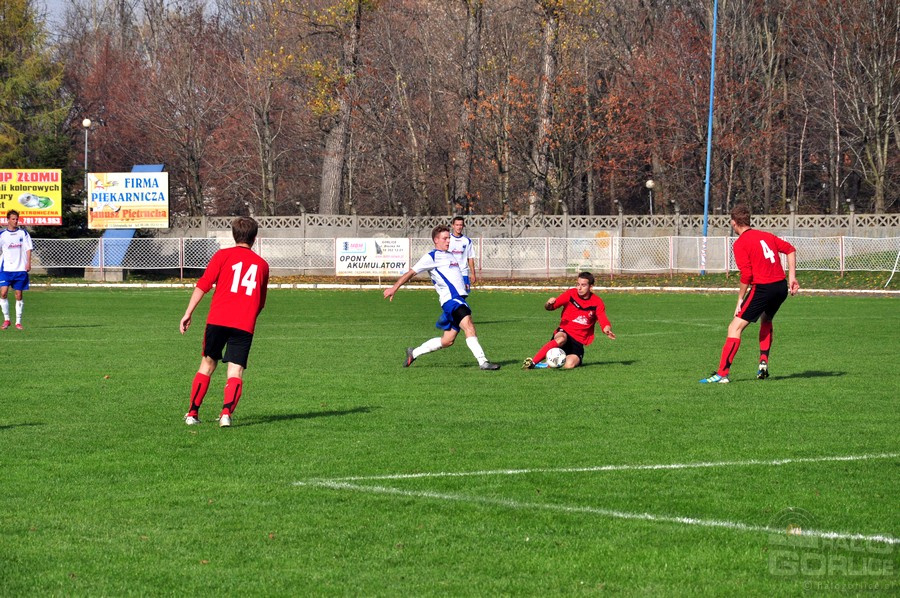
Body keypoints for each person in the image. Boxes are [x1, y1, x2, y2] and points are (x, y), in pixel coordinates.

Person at [180, 217, 270, 426]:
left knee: (207, 365)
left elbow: (203, 284)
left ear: (234, 235)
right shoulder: (262, 265)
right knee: (235, 370)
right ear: (255, 237)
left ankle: (192, 414)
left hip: (218, 320)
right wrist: (249, 317)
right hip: (244, 324)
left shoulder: (222, 255)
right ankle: (226, 415)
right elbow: (261, 302)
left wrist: (188, 313)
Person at [700, 203, 799, 384]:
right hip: (780, 287)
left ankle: (722, 374)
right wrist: (792, 277)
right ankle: (763, 363)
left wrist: (740, 299)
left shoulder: (740, 243)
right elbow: (790, 249)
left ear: (734, 222)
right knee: (766, 319)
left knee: (734, 328)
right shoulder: (766, 236)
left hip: (763, 288)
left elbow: (747, 275)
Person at [384, 225, 500, 370]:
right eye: (445, 238)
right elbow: (411, 272)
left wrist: (463, 284)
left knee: (447, 341)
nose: (448, 241)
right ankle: (483, 362)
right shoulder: (431, 257)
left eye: (449, 238)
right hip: (451, 300)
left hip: (458, 299)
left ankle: (414, 353)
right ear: (436, 240)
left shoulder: (450, 255)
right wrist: (394, 287)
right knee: (468, 325)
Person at [523, 271, 615, 369]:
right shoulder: (570, 294)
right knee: (561, 339)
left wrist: (607, 330)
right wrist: (548, 304)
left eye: (583, 285)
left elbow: (603, 320)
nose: (579, 288)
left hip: (578, 341)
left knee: (569, 365)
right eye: (578, 284)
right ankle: (532, 363)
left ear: (591, 286)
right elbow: (550, 307)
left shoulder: (597, 302)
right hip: (564, 332)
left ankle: (547, 364)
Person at [0, 210, 33, 331]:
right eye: (13, 219)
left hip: (20, 269)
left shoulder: (23, 233)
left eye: (17, 219)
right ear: (8, 220)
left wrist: (28, 262)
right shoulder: (2, 235)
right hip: (6, 269)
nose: (15, 221)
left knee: (18, 294)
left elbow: (28, 249)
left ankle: (18, 322)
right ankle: (7, 319)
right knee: (3, 293)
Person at [448, 216, 477, 293]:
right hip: (450, 273)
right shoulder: (448, 239)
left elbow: (470, 258)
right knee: (451, 295)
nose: (459, 227)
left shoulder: (467, 241)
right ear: (453, 226)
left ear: (463, 226)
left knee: (463, 295)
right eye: (457, 225)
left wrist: (473, 274)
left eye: (460, 225)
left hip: (463, 273)